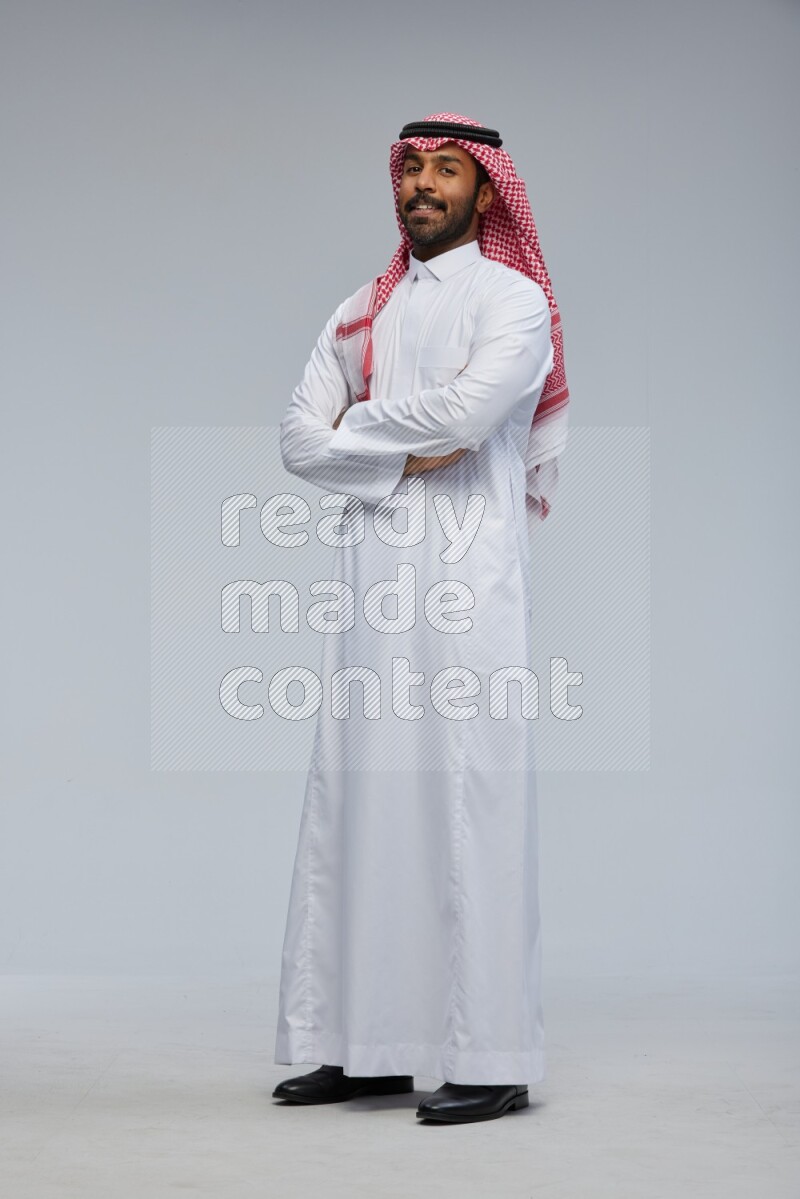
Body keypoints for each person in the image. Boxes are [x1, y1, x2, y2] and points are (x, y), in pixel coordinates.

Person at [272, 112, 569, 1124]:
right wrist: (400, 447)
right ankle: (364, 1048)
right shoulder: (360, 310)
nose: (424, 185)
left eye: (447, 169)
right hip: (368, 586)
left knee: (467, 795)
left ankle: (491, 1054)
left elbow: (470, 414)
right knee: (360, 798)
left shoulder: (513, 299)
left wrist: (355, 429)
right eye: (412, 169)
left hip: (466, 581)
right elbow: (294, 439)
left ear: (485, 191)